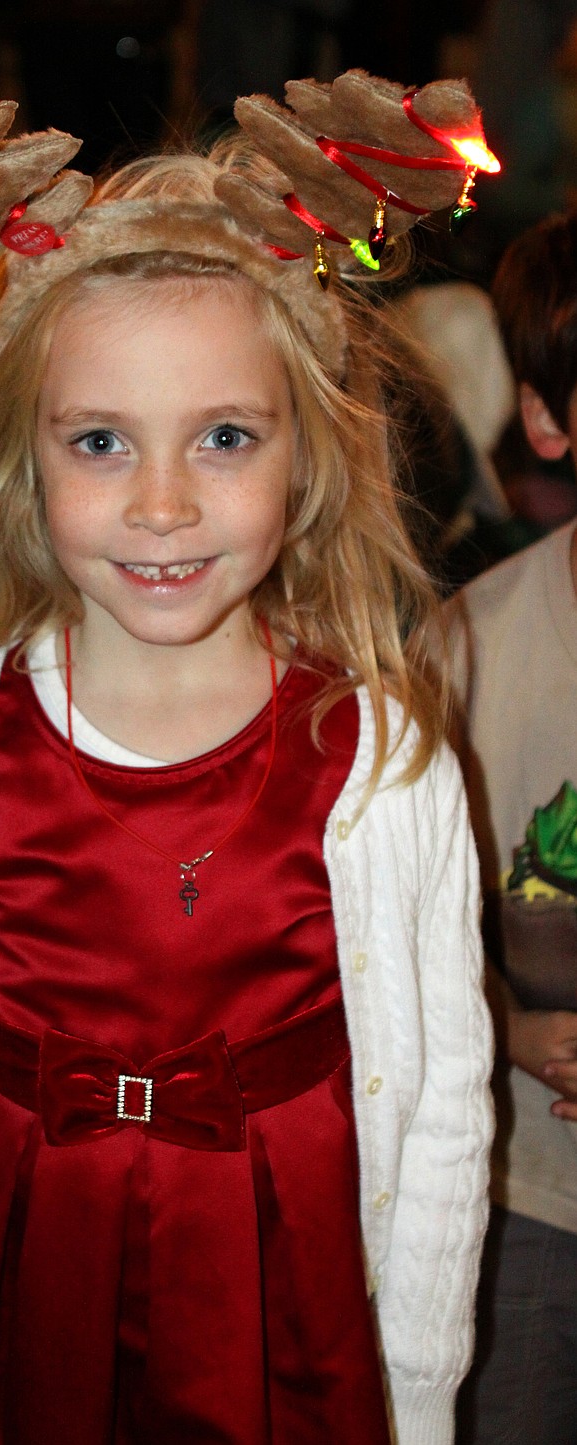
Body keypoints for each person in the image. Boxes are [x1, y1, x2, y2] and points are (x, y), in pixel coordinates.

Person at [0, 75, 495, 1445]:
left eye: (225, 437)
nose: (164, 502)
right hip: (13, 1278)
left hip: (286, 1297)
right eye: (100, 442)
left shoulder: (380, 764)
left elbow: (437, 1107)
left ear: (306, 460)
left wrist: (415, 1384)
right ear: (25, 460)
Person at [451, 209, 577, 1445]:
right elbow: (388, 931)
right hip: (531, 1188)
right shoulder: (467, 658)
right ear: (549, 418)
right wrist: (517, 1022)